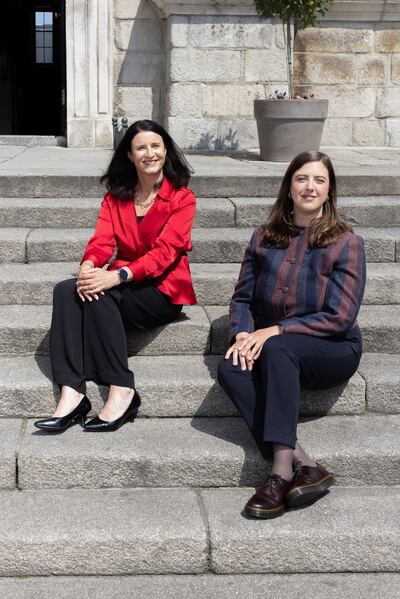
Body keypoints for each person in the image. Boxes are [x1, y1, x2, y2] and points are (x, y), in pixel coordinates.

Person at [217, 151, 366, 519]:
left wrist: (276, 330)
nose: (309, 187)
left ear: (329, 191)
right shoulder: (264, 238)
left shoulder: (346, 242)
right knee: (230, 368)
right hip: (275, 345)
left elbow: (340, 316)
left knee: (279, 348)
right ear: (289, 187)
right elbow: (242, 299)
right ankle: (307, 463)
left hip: (331, 347)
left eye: (319, 180)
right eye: (302, 178)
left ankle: (281, 472)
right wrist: (241, 335)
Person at [35, 120, 196, 433]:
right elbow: (102, 241)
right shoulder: (116, 197)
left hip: (162, 290)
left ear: (165, 150)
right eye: (141, 148)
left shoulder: (182, 199)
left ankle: (122, 388)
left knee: (101, 295)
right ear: (130, 156)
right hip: (123, 282)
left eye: (155, 146)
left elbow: (165, 254)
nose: (150, 153)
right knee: (66, 291)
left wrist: (115, 275)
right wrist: (89, 266)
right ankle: (72, 392)